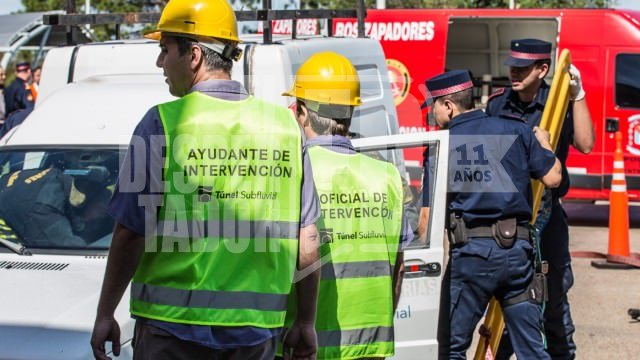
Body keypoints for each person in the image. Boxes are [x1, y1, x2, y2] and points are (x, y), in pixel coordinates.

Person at [89, 1, 321, 359]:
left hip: (171, 330)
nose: (159, 63)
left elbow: (131, 232)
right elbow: (307, 241)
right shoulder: (286, 128)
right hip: (255, 334)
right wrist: (305, 322)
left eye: (164, 50)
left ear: (194, 55)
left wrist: (105, 312)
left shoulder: (162, 123)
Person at [419, 70, 562, 359]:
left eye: (434, 105)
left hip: (471, 259)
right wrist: (545, 142)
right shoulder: (516, 130)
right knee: (532, 351)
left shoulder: (441, 146)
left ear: (448, 105)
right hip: (517, 258)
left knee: (451, 348)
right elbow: (553, 178)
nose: (432, 112)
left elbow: (427, 219)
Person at [279, 52, 412, 359]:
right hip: (371, 343)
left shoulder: (294, 171)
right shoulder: (387, 175)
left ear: (301, 112)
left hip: (303, 343)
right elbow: (398, 267)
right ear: (351, 113)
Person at [486, 38, 595, 360]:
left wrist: (579, 95)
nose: (513, 73)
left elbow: (586, 144)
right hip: (509, 215)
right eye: (512, 66)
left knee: (555, 301)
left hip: (547, 216)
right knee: (505, 300)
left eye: (522, 67)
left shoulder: (558, 102)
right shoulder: (498, 104)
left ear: (543, 69)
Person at [0, 167, 111, 247]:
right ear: (85, 202)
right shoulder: (43, 211)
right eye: (102, 209)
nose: (103, 216)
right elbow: (71, 249)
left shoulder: (57, 176)